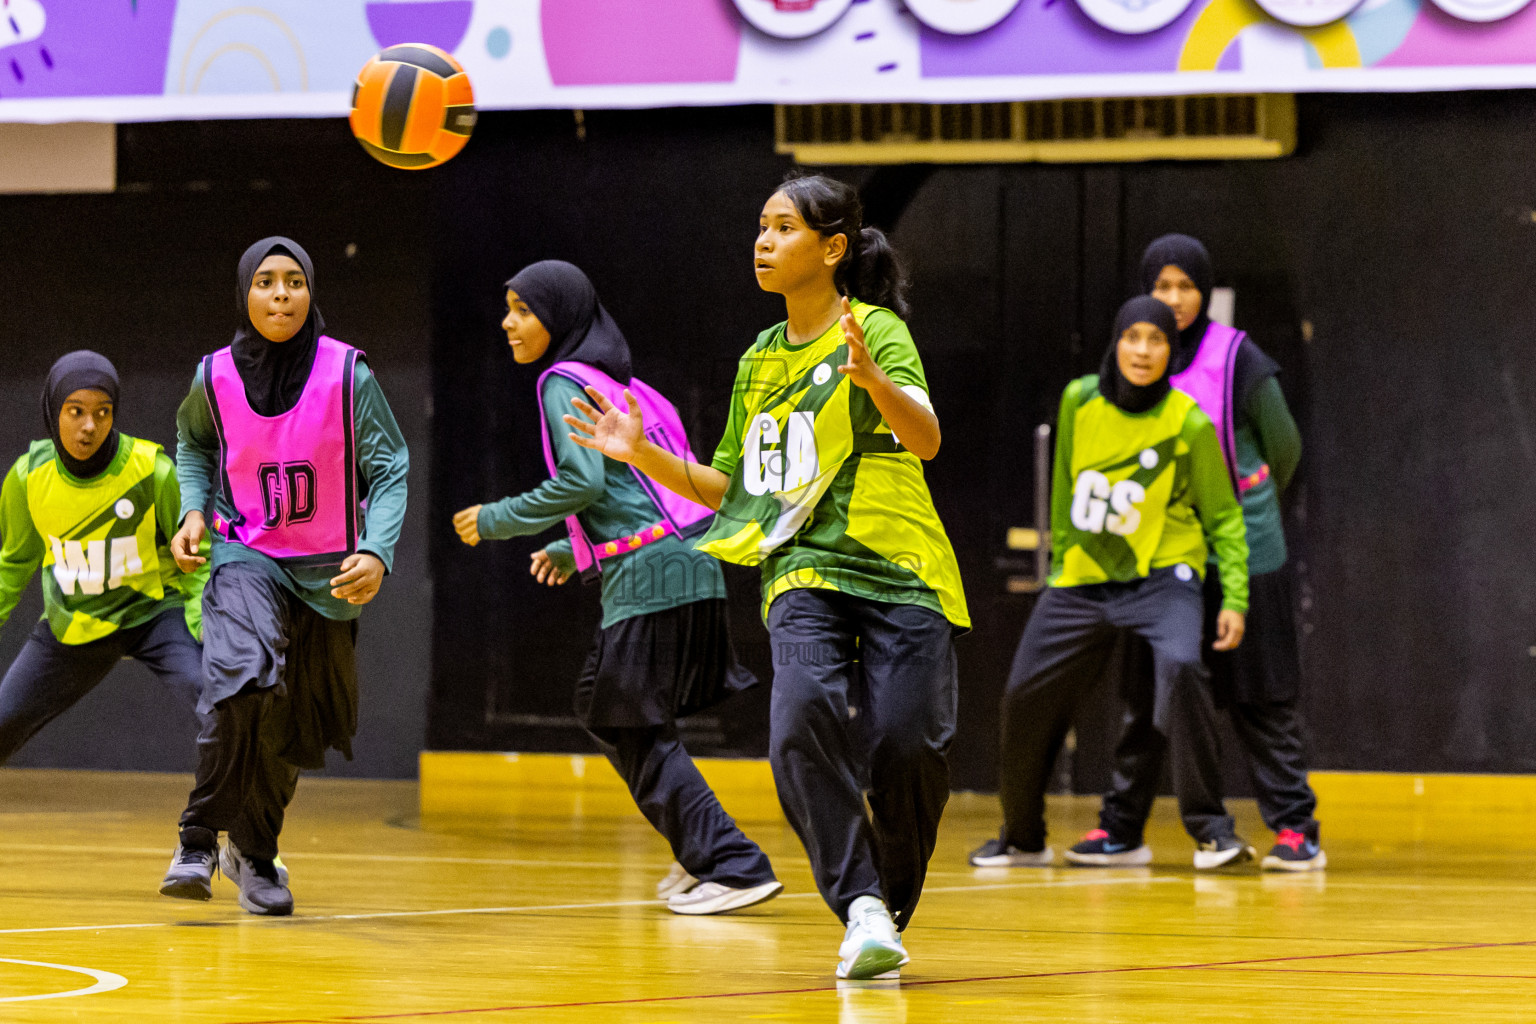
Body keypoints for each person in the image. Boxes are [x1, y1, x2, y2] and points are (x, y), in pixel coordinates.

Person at [566, 173, 969, 981]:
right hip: (802, 568)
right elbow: (733, 490)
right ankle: (858, 907)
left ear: (831, 248)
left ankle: (884, 910)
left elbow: (924, 440)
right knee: (799, 721)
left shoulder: (877, 330)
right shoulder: (759, 359)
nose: (763, 240)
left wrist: (874, 382)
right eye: (760, 226)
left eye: (783, 228)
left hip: (900, 565)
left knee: (907, 744)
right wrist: (642, 455)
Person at [451, 259, 781, 916]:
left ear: (561, 317)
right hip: (690, 560)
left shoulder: (560, 383)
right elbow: (644, 491)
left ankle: (730, 863)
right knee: (610, 708)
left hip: (653, 570)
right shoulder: (627, 386)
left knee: (621, 717)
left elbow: (583, 484)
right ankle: (704, 854)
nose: (507, 321)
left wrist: (496, 519)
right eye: (508, 306)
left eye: (522, 309)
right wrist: (574, 550)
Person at [158, 237, 409, 915]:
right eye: (265, 282)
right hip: (247, 554)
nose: (280, 295)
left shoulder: (347, 374)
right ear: (245, 293)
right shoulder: (213, 376)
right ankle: (198, 835)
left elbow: (390, 468)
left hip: (328, 573)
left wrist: (379, 549)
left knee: (294, 729)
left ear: (311, 291)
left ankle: (256, 852)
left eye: (294, 281)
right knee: (243, 679)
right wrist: (192, 510)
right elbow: (194, 443)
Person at [969, 296, 1254, 872]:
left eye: (1157, 341)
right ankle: (1022, 836)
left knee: (1181, 670)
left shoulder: (1188, 422)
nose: (1143, 351)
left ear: (1171, 352)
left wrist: (1237, 599)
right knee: (1025, 694)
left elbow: (1223, 516)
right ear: (1116, 343)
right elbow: (1066, 482)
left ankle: (1213, 831)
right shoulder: (1080, 400)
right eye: (1133, 338)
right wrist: (1063, 566)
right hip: (1084, 578)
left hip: (1164, 577)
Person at [1068, 234, 1323, 872]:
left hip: (1245, 552)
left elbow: (1284, 446)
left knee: (1260, 697)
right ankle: (1122, 828)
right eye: (1163, 287)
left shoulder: (1239, 359)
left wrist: (1245, 502)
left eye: (1186, 287)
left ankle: (1295, 829)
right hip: (1158, 560)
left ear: (1205, 292)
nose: (1175, 300)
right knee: (1148, 696)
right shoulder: (1135, 356)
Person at [0, 352, 208, 837]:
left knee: (219, 705)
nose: (89, 425)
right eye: (76, 410)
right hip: (74, 622)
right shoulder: (29, 477)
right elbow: (13, 564)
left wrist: (201, 626)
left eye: (102, 412)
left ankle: (247, 843)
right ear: (53, 410)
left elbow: (202, 555)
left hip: (155, 613)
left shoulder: (150, 470)